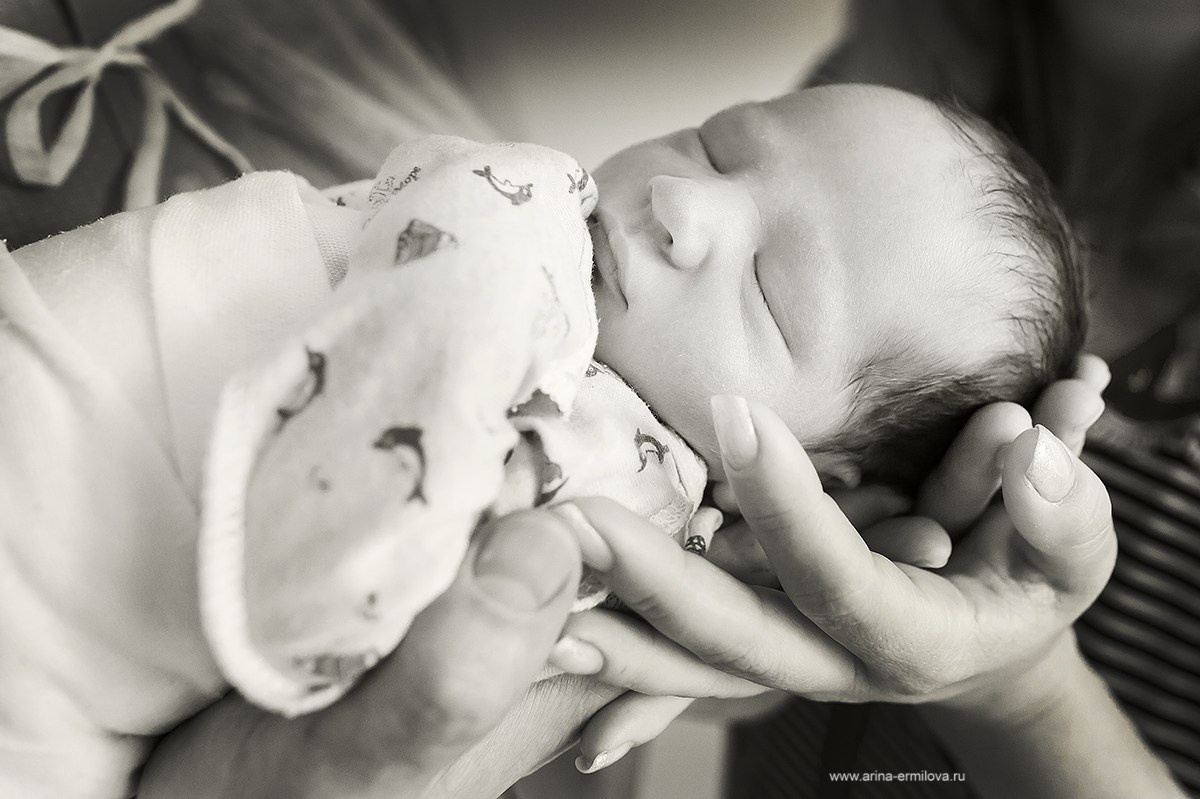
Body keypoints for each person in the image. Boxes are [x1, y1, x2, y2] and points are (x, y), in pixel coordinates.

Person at [0, 1, 1169, 798]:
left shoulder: (632, 498)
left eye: (766, 288)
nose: (682, 207)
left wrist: (1021, 692)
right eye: (716, 146)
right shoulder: (525, 225)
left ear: (820, 484)